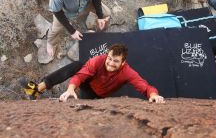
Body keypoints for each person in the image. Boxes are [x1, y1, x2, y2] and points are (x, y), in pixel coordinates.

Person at [22, 44, 165, 103]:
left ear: (122, 62)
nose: (110, 63)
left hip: (97, 95)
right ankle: (37, 89)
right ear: (106, 55)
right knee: (78, 65)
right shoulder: (98, 60)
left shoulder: (127, 72)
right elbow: (80, 76)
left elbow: (145, 87)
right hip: (87, 84)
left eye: (115, 61)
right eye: (109, 58)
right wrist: (71, 89)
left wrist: (154, 96)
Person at [47, 0, 111, 57]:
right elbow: (56, 11)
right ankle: (51, 43)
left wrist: (100, 16)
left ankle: (98, 29)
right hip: (65, 12)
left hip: (85, 4)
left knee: (106, 13)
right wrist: (72, 31)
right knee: (56, 28)